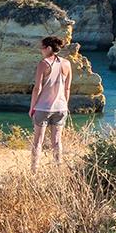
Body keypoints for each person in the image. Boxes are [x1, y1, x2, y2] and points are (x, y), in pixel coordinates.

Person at [29, 36, 73, 171]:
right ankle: (57, 169)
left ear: (48, 48)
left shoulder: (43, 64)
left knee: (38, 141)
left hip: (43, 107)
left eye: (42, 47)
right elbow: (67, 88)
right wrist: (65, 104)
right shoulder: (67, 63)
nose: (41, 50)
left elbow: (37, 88)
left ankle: (34, 170)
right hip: (61, 107)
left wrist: (32, 107)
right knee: (57, 141)